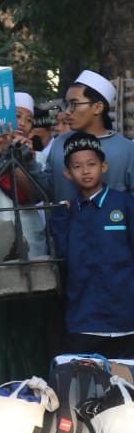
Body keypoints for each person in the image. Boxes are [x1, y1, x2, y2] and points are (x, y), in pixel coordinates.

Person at [48, 133, 134, 358]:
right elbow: (63, 259)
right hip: (83, 318)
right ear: (68, 173)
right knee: (85, 388)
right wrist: (60, 219)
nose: (85, 171)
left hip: (126, 316)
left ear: (104, 167)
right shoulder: (67, 213)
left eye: (92, 164)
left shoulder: (125, 204)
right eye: (77, 166)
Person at [42, 70, 134, 200]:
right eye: (66, 105)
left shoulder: (127, 150)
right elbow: (46, 192)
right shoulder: (59, 143)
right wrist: (26, 162)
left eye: (74, 104)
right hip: (63, 220)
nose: (67, 111)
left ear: (97, 108)